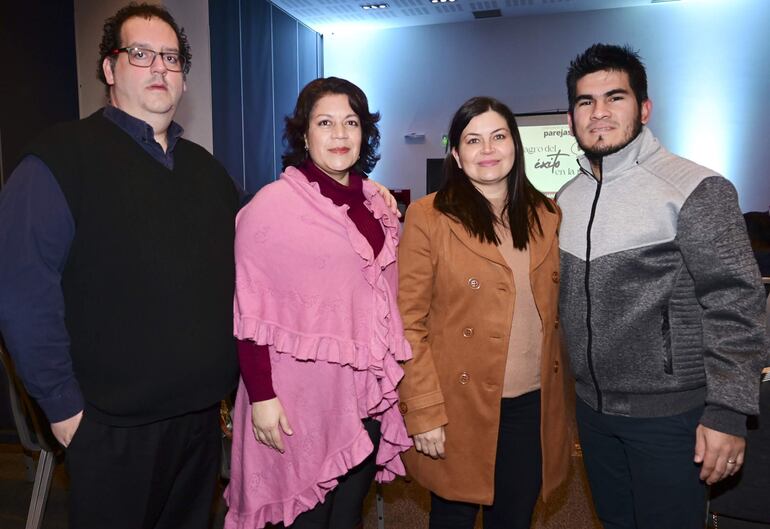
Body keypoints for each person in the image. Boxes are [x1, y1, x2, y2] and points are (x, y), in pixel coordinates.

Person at [0, 3, 241, 528]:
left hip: (200, 424)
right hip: (109, 431)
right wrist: (66, 415)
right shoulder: (59, 161)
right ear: (110, 69)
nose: (159, 68)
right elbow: (22, 295)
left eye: (172, 58)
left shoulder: (207, 171)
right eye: (141, 54)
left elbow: (258, 262)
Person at [557, 43, 768, 529]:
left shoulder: (696, 188)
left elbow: (736, 303)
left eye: (616, 97)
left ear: (644, 108)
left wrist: (728, 413)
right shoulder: (567, 197)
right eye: (586, 102)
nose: (600, 112)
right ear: (571, 118)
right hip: (592, 414)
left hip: (673, 417)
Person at [223, 77, 412, 529]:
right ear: (304, 135)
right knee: (306, 518)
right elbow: (250, 309)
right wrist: (262, 395)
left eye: (351, 122)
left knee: (347, 516)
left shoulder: (376, 206)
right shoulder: (271, 208)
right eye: (325, 123)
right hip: (295, 401)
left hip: (361, 397)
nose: (340, 134)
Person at [397, 96, 571, 529]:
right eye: (473, 140)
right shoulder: (429, 216)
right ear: (456, 153)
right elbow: (407, 324)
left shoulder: (547, 215)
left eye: (498, 136)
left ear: (515, 144)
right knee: (452, 517)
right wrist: (423, 410)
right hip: (457, 406)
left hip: (531, 406)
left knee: (513, 519)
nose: (487, 149)